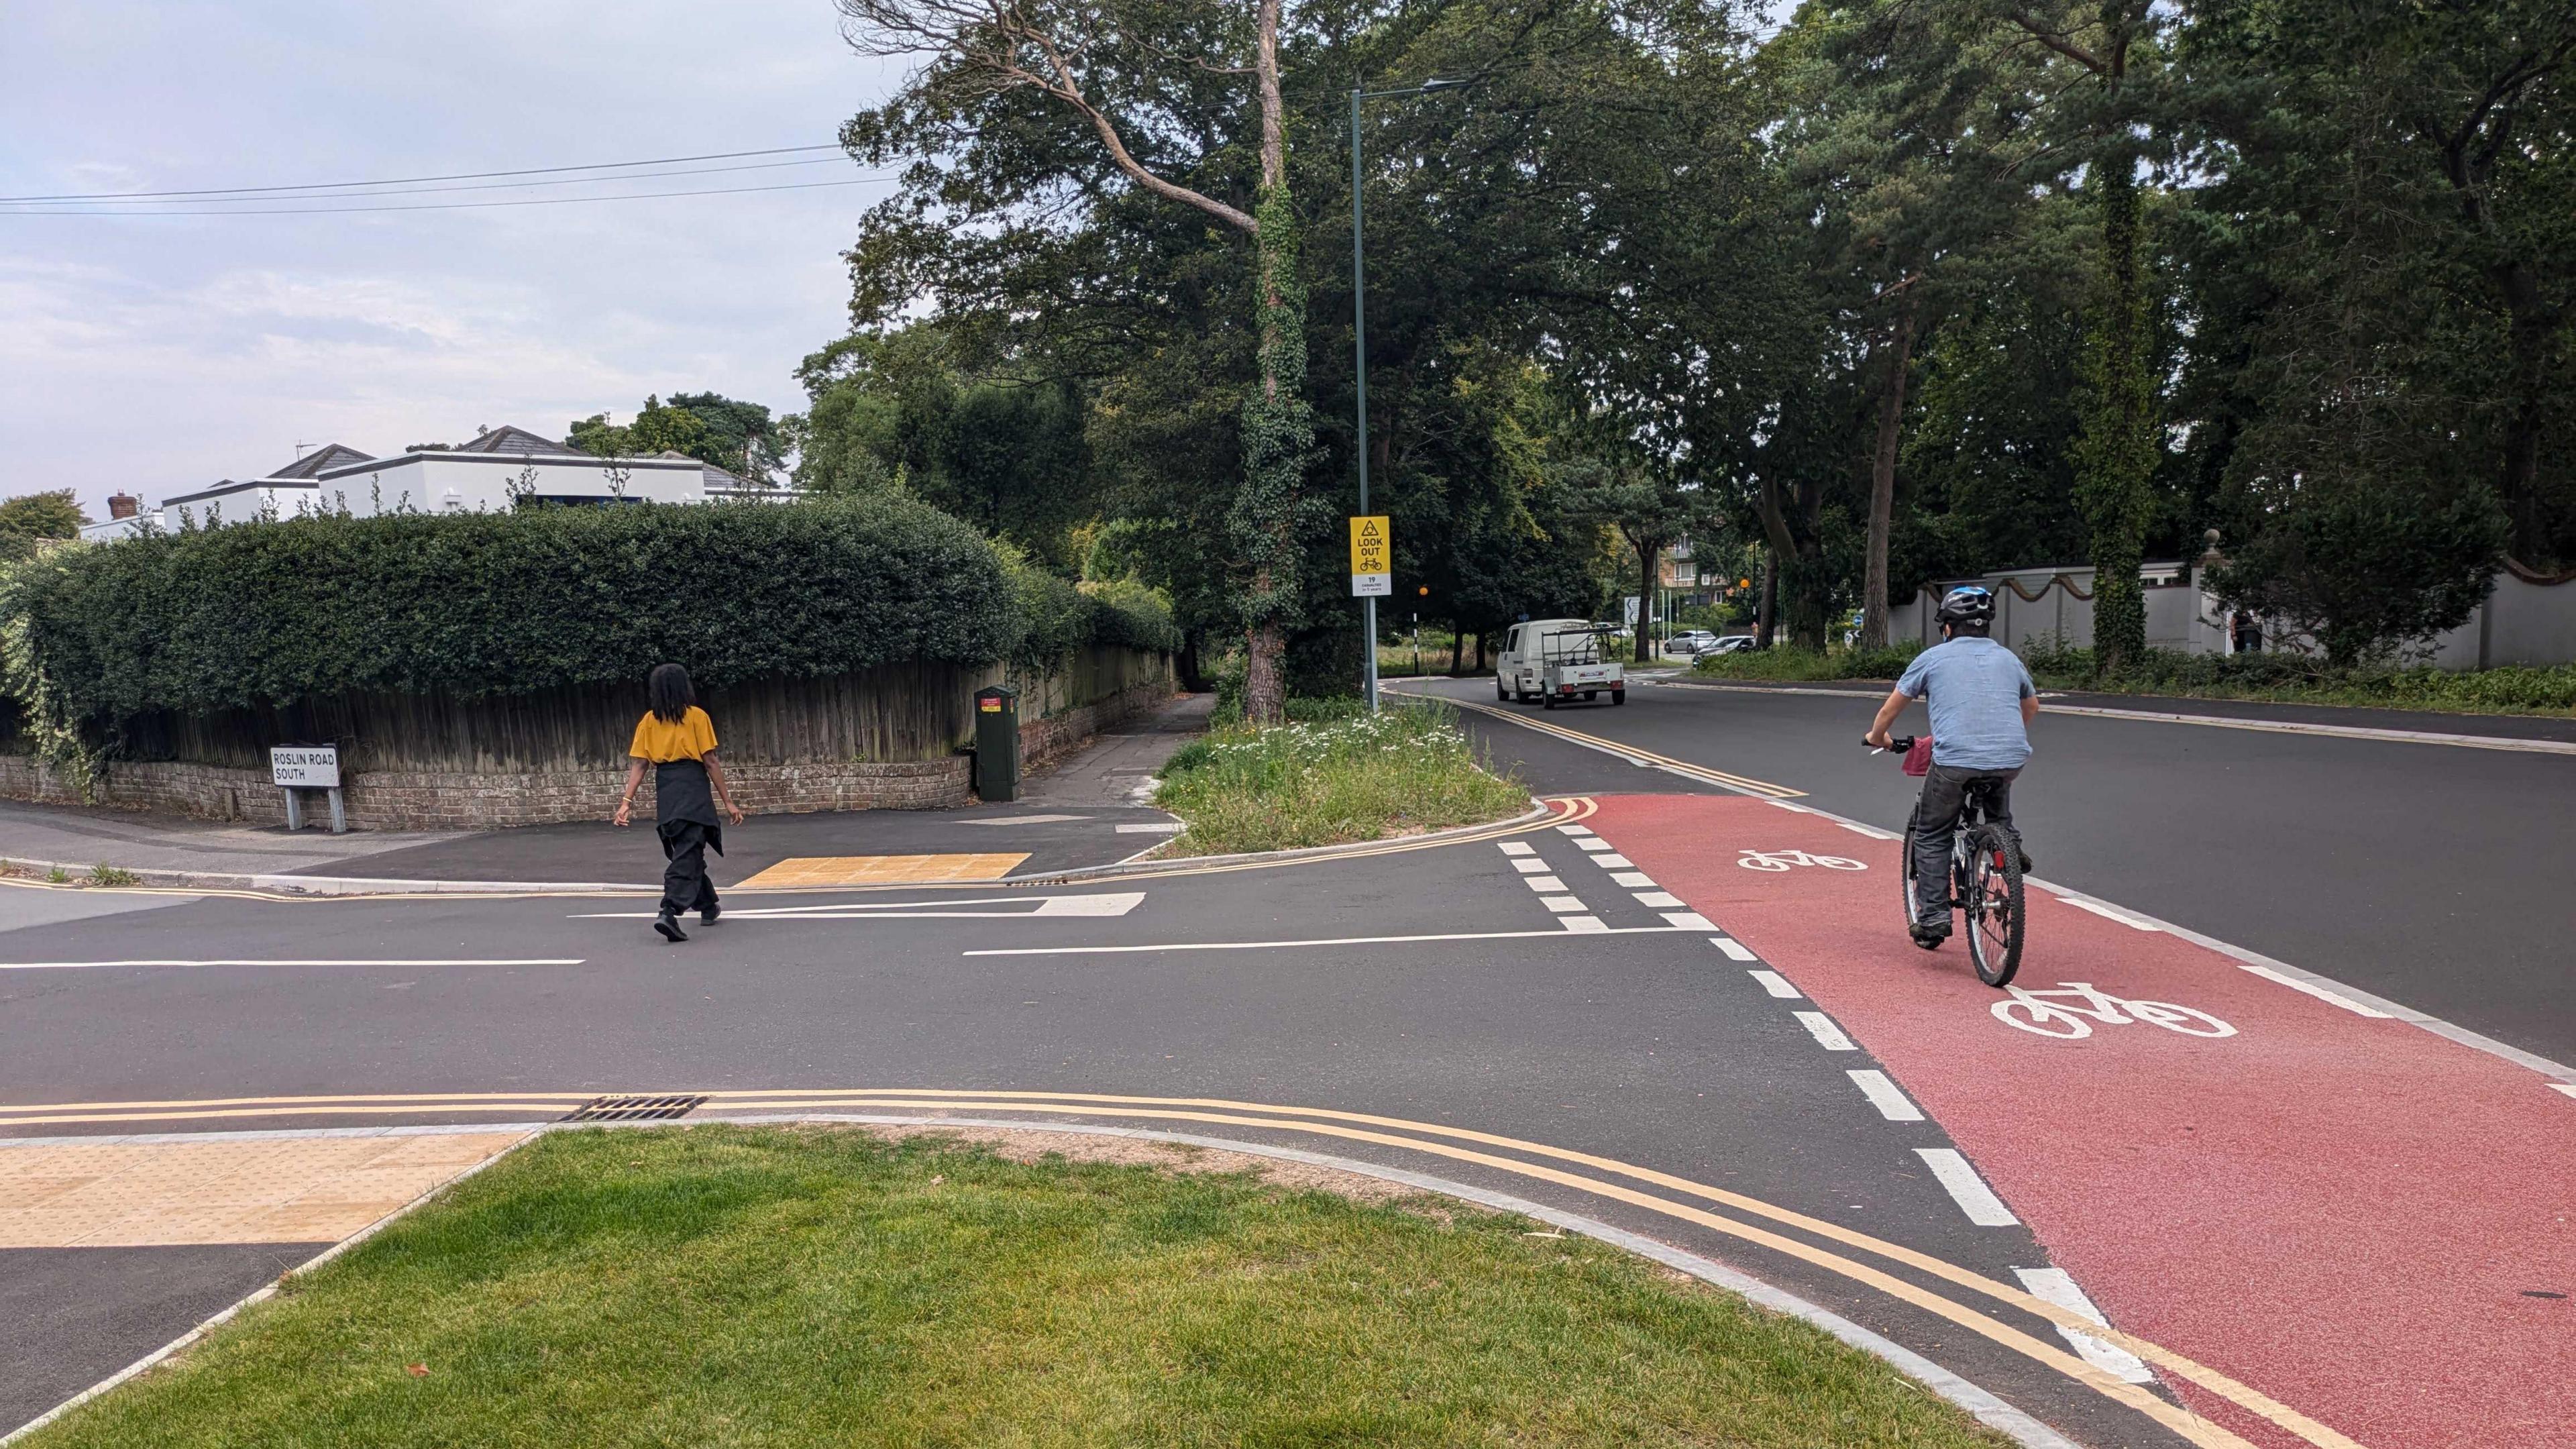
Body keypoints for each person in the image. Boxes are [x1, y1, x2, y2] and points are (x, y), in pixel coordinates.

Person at [1864, 587, 2037, 948]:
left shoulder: (1932, 659)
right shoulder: (2009, 659)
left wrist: (1878, 736)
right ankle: (2008, 847)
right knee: (1997, 810)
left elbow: (1889, 711)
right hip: (2010, 756)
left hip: (1955, 760)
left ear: (1947, 627)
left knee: (1931, 832)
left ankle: (1933, 918)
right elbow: (2031, 707)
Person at [613, 663, 745, 943]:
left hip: (668, 789)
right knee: (688, 850)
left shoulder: (649, 721)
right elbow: (710, 761)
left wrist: (626, 802)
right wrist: (728, 802)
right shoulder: (697, 717)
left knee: (686, 849)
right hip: (693, 786)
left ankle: (708, 906)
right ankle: (669, 910)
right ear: (685, 687)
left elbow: (640, 764)